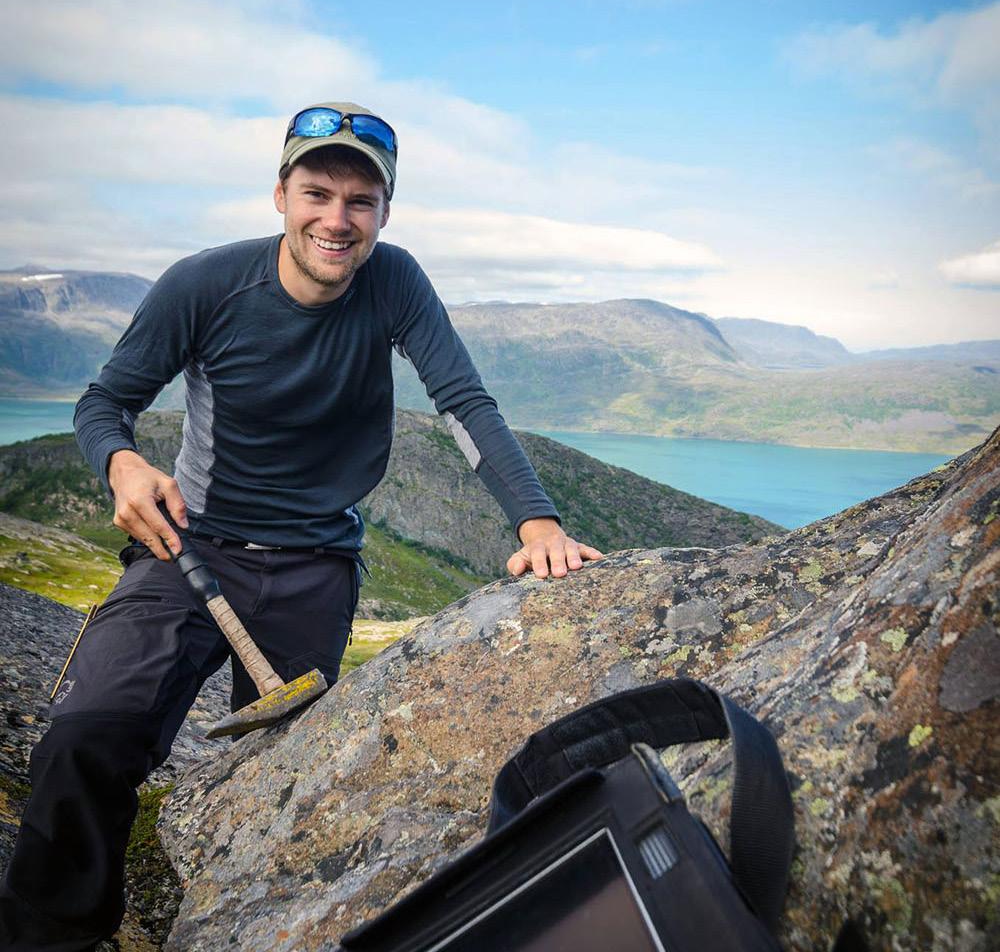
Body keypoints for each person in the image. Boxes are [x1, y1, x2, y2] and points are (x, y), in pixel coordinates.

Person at [0, 102, 602, 950]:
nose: (337, 219)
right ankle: (52, 936)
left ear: (385, 213)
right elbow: (105, 402)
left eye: (362, 201)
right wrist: (122, 464)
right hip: (189, 545)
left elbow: (463, 401)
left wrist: (538, 521)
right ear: (281, 194)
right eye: (318, 192)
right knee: (85, 734)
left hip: (317, 562)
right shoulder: (204, 285)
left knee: (288, 779)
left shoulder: (395, 281)